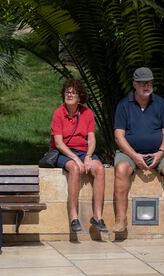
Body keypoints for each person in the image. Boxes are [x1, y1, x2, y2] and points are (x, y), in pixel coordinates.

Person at [113, 67, 164, 234]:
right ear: (134, 84)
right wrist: (135, 156)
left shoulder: (160, 103)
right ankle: (120, 220)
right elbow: (119, 136)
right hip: (129, 153)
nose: (147, 86)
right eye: (142, 83)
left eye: (149, 82)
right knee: (121, 169)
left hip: (158, 152)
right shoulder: (124, 105)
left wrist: (161, 152)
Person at [50, 79, 108, 233]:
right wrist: (76, 159)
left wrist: (88, 157)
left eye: (73, 92)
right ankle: (73, 216)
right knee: (74, 169)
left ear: (80, 96)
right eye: (67, 92)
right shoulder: (58, 113)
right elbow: (59, 143)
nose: (69, 94)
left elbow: (91, 139)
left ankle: (97, 216)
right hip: (64, 152)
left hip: (83, 151)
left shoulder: (87, 113)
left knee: (100, 169)